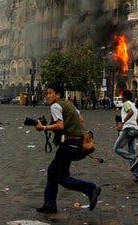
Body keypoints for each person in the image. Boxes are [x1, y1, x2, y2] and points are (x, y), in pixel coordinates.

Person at [34, 83, 101, 214]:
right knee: (53, 171)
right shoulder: (69, 104)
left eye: (50, 93)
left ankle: (91, 188)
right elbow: (81, 119)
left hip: (68, 145)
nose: (48, 96)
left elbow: (60, 125)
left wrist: (44, 127)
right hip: (78, 144)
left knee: (61, 177)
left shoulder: (55, 106)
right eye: (47, 93)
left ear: (58, 94)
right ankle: (49, 204)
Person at [114, 90, 138, 182]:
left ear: (124, 96)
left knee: (117, 148)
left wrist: (123, 123)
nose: (121, 98)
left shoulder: (126, 104)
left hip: (128, 130)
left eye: (121, 96)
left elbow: (130, 112)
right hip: (136, 131)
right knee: (131, 152)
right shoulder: (135, 107)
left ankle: (135, 158)